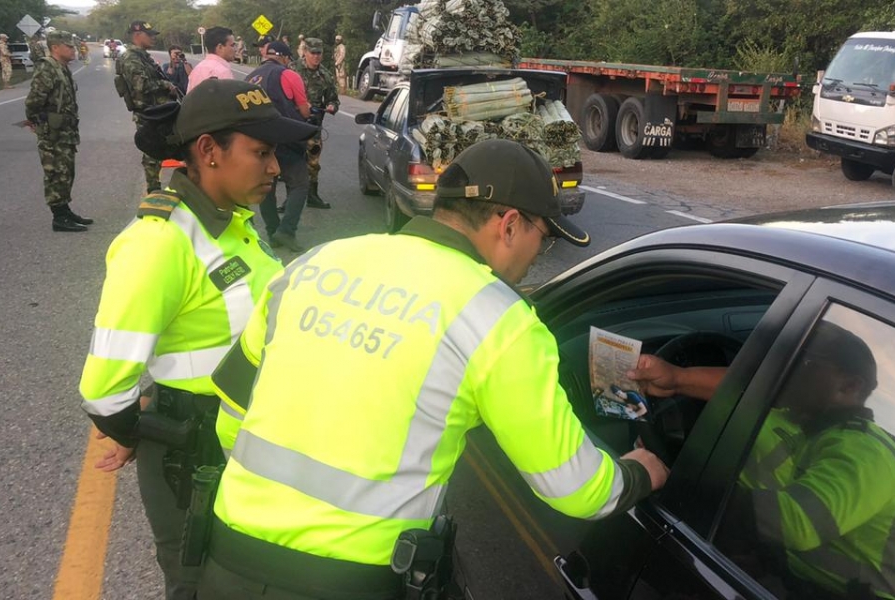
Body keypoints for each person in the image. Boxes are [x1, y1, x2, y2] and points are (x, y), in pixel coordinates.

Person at [197, 139, 663, 600]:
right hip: (352, 582)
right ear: (510, 225)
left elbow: (233, 410)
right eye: (542, 242)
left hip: (228, 557)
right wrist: (641, 472)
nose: (534, 259)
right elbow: (576, 490)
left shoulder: (317, 261)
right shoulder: (499, 319)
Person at [78, 78, 317, 600]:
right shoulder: (159, 243)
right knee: (199, 583)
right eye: (260, 153)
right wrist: (153, 428)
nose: (275, 168)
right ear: (209, 151)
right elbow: (103, 389)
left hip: (247, 434)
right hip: (195, 451)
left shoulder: (232, 224)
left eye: (274, 153)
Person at [629, 322, 895, 600]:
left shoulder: (867, 454)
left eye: (802, 363)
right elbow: (750, 392)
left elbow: (796, 523)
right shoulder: (810, 421)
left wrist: (677, 482)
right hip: (789, 577)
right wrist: (677, 379)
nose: (784, 371)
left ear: (849, 387)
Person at [246, 41, 312, 252]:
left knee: (267, 188)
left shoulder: (250, 78)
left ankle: (273, 231)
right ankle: (286, 231)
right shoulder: (288, 75)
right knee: (299, 184)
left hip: (257, 142)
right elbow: (304, 112)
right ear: (283, 57)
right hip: (285, 139)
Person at [24, 31, 91, 232]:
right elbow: (33, 102)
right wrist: (41, 123)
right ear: (55, 48)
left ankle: (65, 210)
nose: (73, 50)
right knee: (55, 172)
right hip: (52, 132)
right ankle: (59, 217)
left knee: (66, 171)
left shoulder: (62, 68)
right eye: (69, 46)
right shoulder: (47, 69)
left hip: (65, 131)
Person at [119, 20, 180, 193]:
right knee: (152, 153)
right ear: (137, 35)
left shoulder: (143, 56)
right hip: (148, 112)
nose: (153, 38)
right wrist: (165, 85)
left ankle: (156, 189)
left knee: (160, 150)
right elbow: (141, 85)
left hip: (158, 111)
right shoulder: (131, 57)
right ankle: (153, 191)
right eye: (149, 34)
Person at [291, 37, 338, 209]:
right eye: (313, 53)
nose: (316, 57)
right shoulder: (292, 70)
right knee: (292, 161)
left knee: (313, 162)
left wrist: (332, 106)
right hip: (293, 123)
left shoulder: (325, 75)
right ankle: (290, 200)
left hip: (313, 126)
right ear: (305, 52)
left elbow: (333, 99)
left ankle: (312, 196)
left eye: (319, 53)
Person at [188, 26, 236, 92]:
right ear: (220, 47)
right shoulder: (222, 72)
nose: (235, 49)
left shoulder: (196, 69)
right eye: (232, 45)